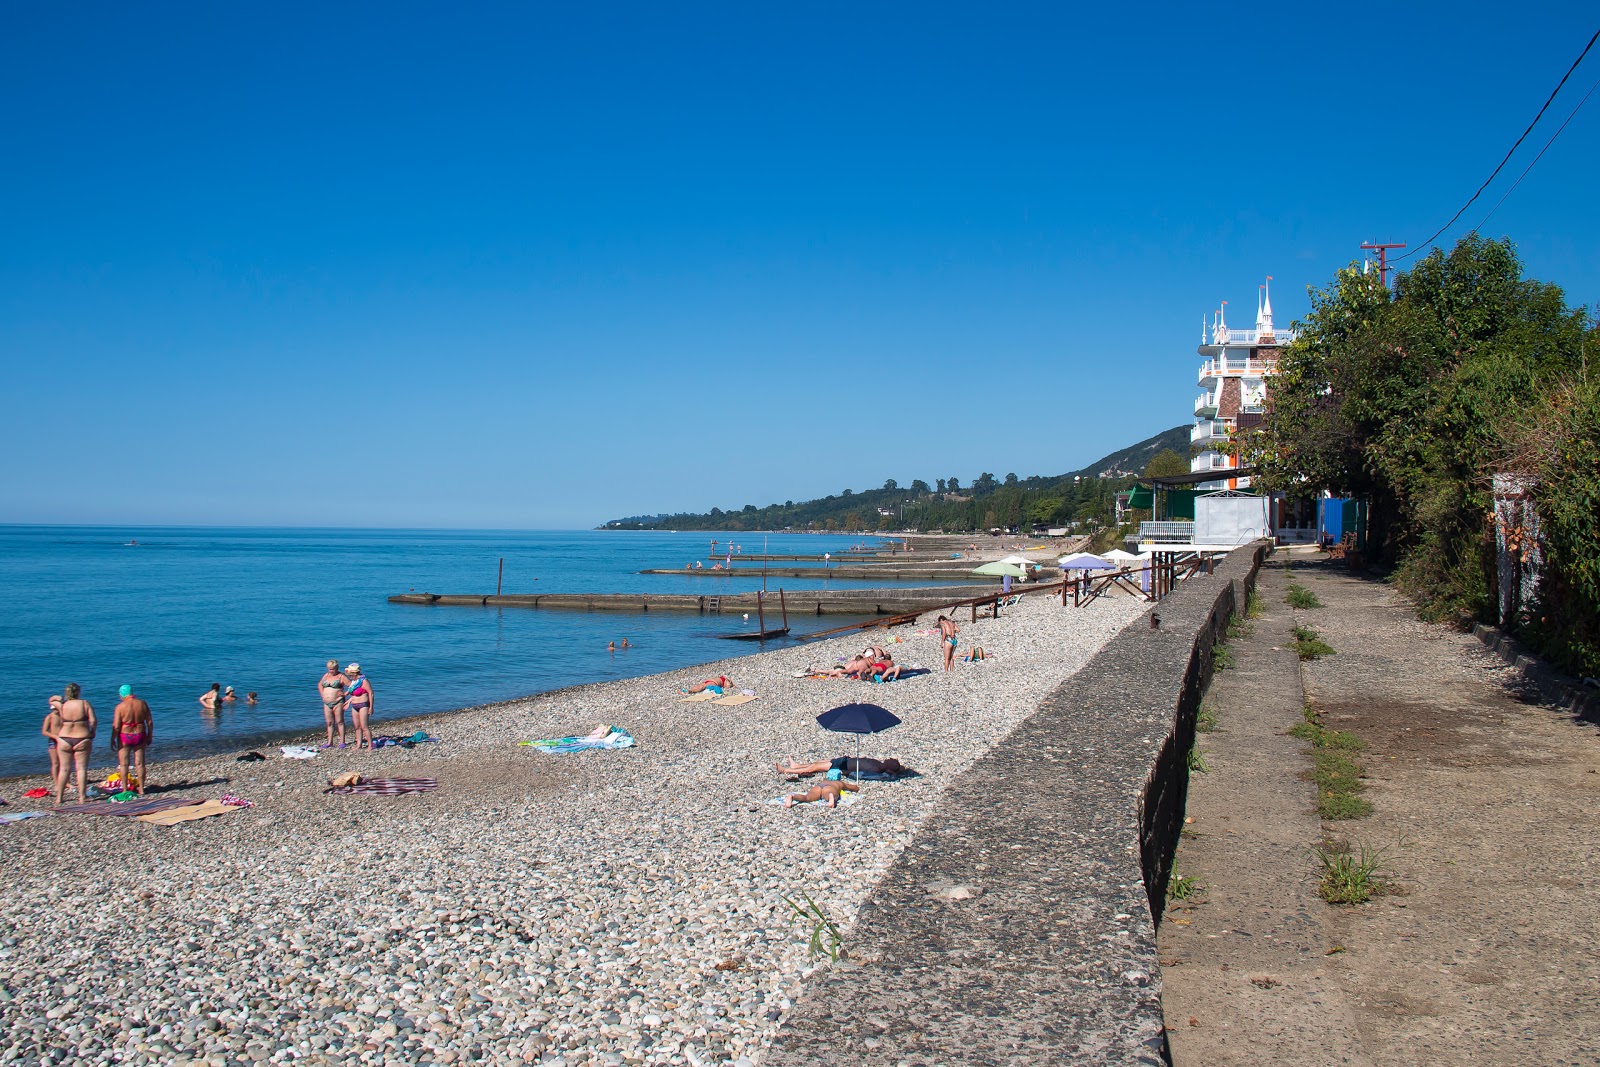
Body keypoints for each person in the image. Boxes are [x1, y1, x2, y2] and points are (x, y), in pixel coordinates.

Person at [52, 683, 96, 805]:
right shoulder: (84, 704)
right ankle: (82, 797)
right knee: (81, 769)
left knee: (64, 769)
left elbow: (51, 701)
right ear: (78, 692)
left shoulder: (62, 705)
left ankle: (59, 797)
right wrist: (92, 732)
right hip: (82, 737)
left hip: (64, 738)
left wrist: (58, 698)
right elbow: (93, 720)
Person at [111, 684, 153, 796]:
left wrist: (112, 739)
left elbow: (116, 726)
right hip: (140, 733)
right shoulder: (142, 704)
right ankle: (141, 789)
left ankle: (125, 790)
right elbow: (149, 722)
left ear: (122, 695)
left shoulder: (120, 707)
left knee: (124, 764)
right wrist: (150, 735)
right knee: (140, 763)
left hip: (125, 735)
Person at [775, 756, 912, 779]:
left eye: (892, 761)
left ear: (889, 768)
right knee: (817, 763)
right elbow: (901, 769)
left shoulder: (877, 769)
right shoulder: (879, 764)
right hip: (845, 760)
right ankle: (797, 765)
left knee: (814, 768)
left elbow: (858, 772)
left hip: (844, 765)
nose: (891, 759)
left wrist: (842, 772)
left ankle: (787, 770)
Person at [318, 660, 348, 749]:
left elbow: (352, 686)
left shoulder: (341, 677)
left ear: (337, 668)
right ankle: (329, 742)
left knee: (340, 722)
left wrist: (345, 694)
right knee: (330, 723)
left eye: (333, 669)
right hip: (327, 703)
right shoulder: (326, 676)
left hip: (338, 702)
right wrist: (323, 695)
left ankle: (342, 741)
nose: (331, 671)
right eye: (330, 669)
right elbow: (320, 685)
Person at [345, 663, 375, 750]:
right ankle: (359, 744)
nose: (349, 676)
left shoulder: (363, 681)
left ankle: (370, 745)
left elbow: (371, 693)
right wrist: (349, 701)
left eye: (350, 674)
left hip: (363, 705)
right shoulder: (354, 682)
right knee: (357, 727)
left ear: (354, 673)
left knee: (364, 726)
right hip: (354, 705)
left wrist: (371, 707)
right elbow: (353, 694)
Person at [783, 780, 860, 808]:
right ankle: (831, 797)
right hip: (831, 787)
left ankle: (793, 797)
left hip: (818, 786)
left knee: (808, 797)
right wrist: (856, 788)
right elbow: (853, 787)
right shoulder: (839, 783)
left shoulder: (824, 781)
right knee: (830, 794)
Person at [42, 695, 63, 783]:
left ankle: (64, 781)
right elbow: (44, 731)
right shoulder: (50, 717)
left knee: (63, 763)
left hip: (62, 740)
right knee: (55, 763)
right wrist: (55, 737)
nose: (55, 710)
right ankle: (56, 782)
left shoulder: (63, 716)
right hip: (53, 741)